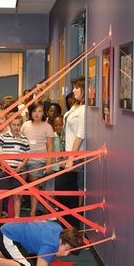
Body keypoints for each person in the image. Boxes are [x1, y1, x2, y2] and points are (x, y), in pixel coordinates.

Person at [56, 78, 85, 229]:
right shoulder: (75, 106)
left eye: (76, 88)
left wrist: (70, 158)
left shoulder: (85, 109)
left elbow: (80, 135)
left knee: (68, 195)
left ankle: (72, 230)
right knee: (61, 194)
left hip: (74, 157)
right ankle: (64, 230)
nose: (73, 91)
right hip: (65, 155)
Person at [0, 113, 30, 220]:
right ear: (9, 124)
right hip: (5, 171)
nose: (16, 127)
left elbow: (27, 155)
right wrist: (2, 163)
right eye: (14, 125)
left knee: (17, 196)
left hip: (17, 172)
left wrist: (22, 165)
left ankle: (17, 218)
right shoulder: (3, 137)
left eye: (18, 125)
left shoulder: (24, 139)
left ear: (21, 125)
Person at [21, 100, 54, 216]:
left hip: (38, 161)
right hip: (23, 160)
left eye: (40, 111)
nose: (37, 113)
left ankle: (33, 213)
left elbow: (50, 147)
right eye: (34, 110)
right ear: (30, 112)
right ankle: (16, 213)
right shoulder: (25, 125)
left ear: (44, 112)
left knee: (34, 187)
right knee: (20, 187)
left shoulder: (48, 127)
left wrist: (49, 164)